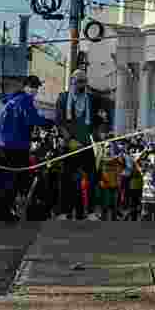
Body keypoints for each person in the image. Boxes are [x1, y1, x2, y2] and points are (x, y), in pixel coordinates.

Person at [0, 75, 54, 223]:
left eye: (37, 86)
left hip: (4, 145)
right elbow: (32, 119)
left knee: (10, 179)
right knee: (19, 180)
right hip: (16, 146)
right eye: (34, 86)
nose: (36, 89)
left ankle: (5, 211)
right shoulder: (25, 100)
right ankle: (11, 212)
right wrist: (49, 123)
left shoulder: (11, 101)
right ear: (26, 86)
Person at [56, 68, 94, 220]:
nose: (82, 84)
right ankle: (64, 212)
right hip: (69, 145)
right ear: (72, 81)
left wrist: (98, 134)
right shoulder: (63, 98)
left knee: (90, 178)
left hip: (86, 145)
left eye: (84, 81)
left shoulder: (90, 99)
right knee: (66, 179)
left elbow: (97, 120)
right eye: (79, 81)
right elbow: (59, 121)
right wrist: (69, 139)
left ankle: (89, 212)